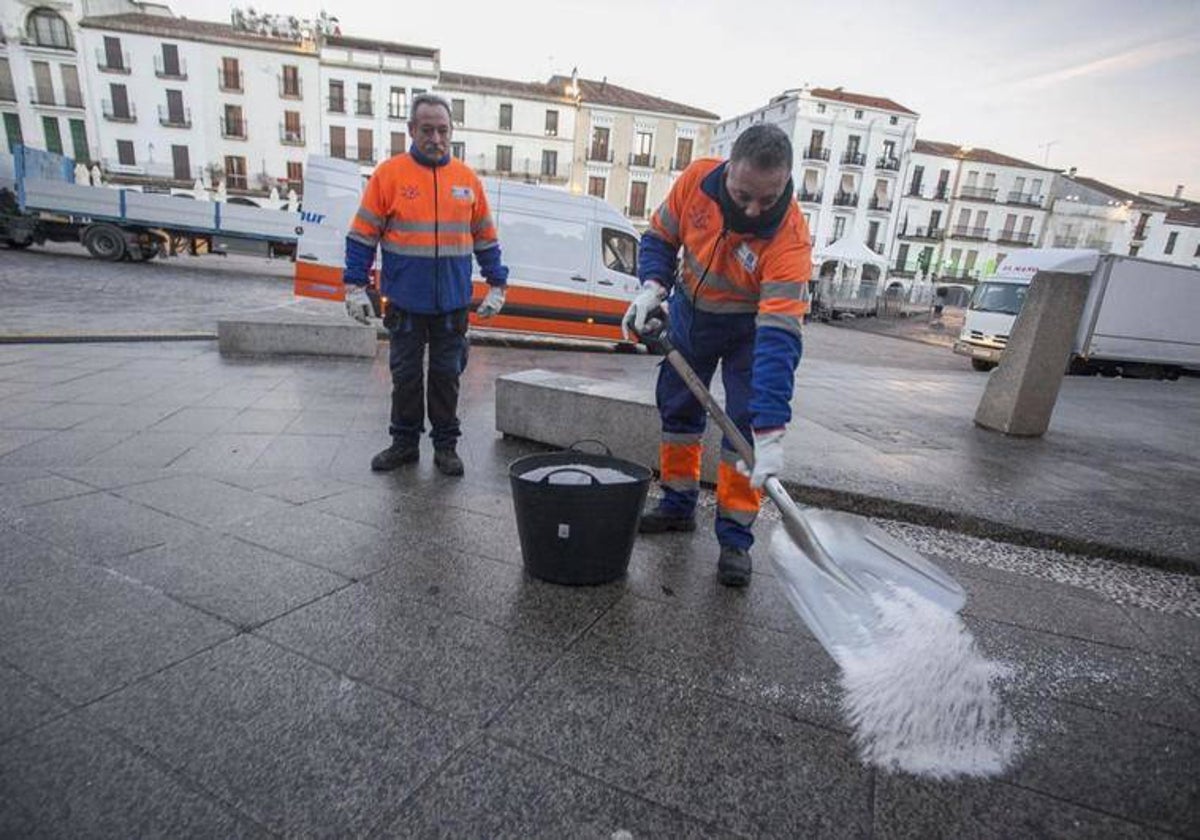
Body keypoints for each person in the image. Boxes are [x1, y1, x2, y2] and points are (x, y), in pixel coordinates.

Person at [622, 123, 811, 587]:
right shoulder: (696, 181)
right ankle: (677, 504)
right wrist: (652, 286)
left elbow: (778, 340)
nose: (752, 209)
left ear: (786, 181)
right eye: (744, 194)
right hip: (691, 315)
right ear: (729, 169)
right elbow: (661, 238)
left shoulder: (790, 238)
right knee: (679, 407)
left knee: (743, 432)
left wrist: (770, 431)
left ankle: (734, 539)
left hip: (751, 331)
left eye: (767, 199)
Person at [343, 93, 508, 477]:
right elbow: (363, 235)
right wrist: (354, 286)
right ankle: (404, 443)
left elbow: (485, 238)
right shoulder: (389, 175)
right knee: (405, 376)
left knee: (447, 377)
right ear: (411, 130)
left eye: (443, 130)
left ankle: (446, 446)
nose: (436, 138)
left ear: (451, 131)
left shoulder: (467, 180)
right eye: (427, 130)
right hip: (405, 301)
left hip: (451, 304)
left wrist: (497, 284)